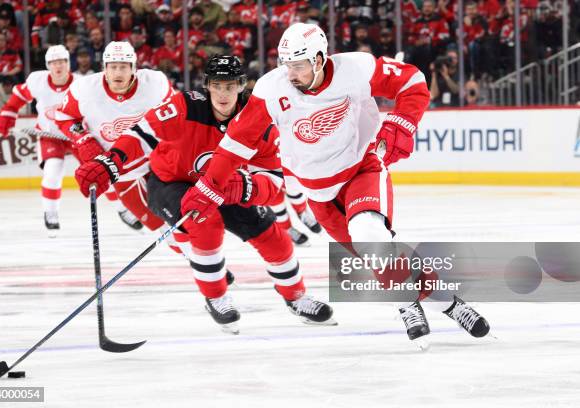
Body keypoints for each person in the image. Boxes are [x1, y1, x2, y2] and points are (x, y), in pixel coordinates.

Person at [180, 23, 490, 342]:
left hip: (361, 169)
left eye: (298, 65)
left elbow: (412, 79)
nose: (291, 74)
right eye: (286, 65)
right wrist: (209, 187)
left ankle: (405, 304)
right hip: (319, 193)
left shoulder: (355, 68)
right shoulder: (272, 89)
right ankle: (450, 303)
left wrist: (402, 122)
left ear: (318, 59)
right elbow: (237, 141)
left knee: (369, 233)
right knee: (379, 256)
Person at [73, 55, 334, 334]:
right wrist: (110, 162)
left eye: (230, 86)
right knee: (205, 225)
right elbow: (141, 135)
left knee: (273, 236)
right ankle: (216, 297)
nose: (223, 94)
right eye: (217, 86)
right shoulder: (184, 106)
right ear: (207, 86)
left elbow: (273, 183)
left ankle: (296, 297)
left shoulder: (258, 120)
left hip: (224, 186)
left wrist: (245, 188)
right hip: (171, 182)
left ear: (242, 86)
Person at [55, 41, 180, 248]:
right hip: (120, 171)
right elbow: (64, 116)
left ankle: (208, 266)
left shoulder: (155, 83)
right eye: (113, 67)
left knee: (182, 220)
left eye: (123, 66)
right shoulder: (84, 89)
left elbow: (178, 114)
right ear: (104, 68)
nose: (118, 72)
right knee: (161, 227)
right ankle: (196, 261)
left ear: (133, 68)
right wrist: (83, 138)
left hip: (158, 162)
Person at [0, 45, 76, 236]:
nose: (58, 66)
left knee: (100, 168)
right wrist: (7, 116)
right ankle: (51, 212)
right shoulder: (38, 81)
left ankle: (122, 207)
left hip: (77, 134)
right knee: (53, 170)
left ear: (68, 63)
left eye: (62, 61)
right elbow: (17, 98)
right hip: (49, 135)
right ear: (48, 65)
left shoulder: (80, 83)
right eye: (54, 62)